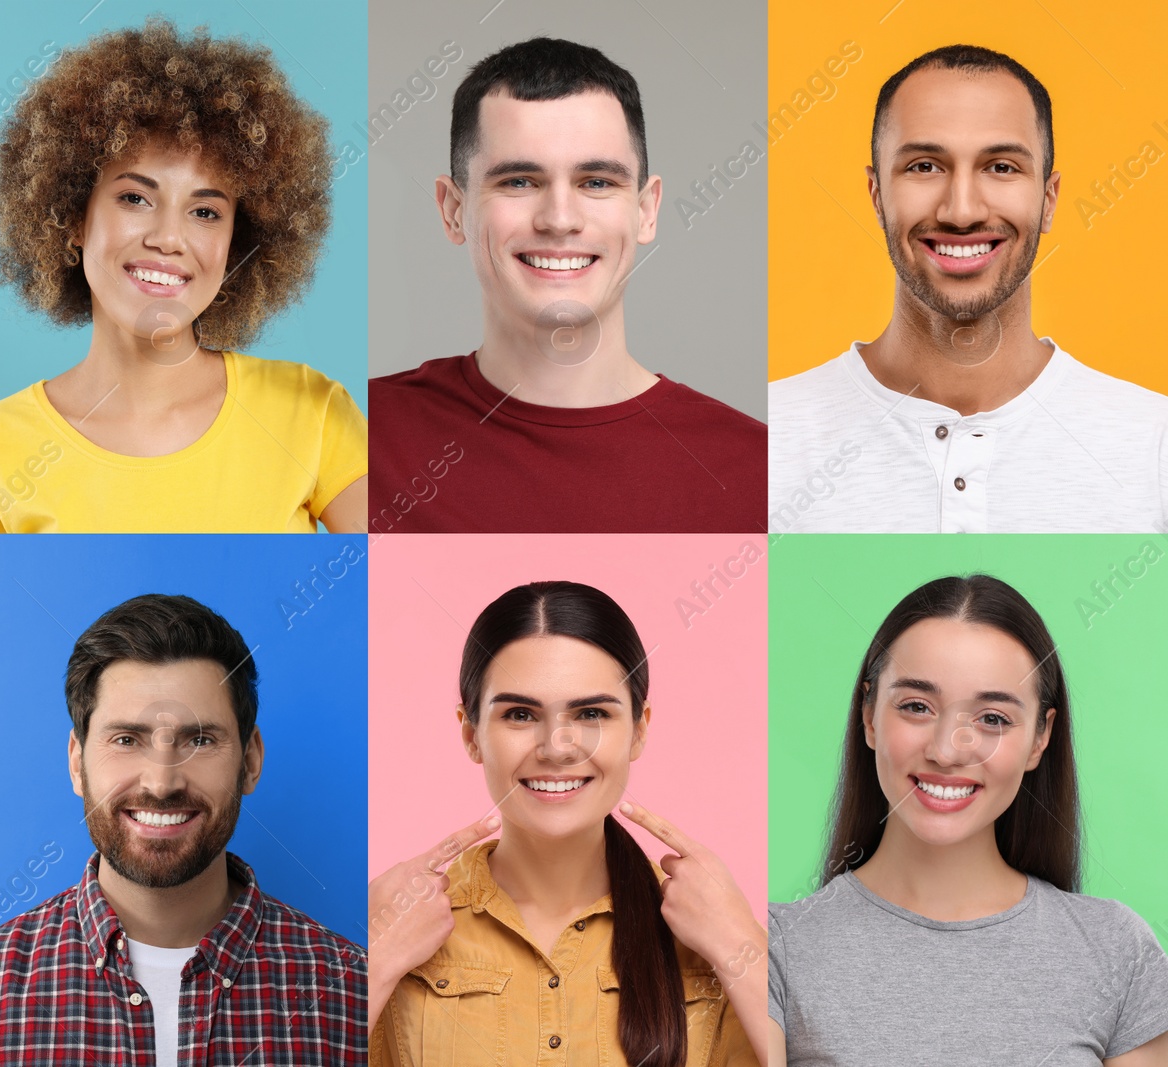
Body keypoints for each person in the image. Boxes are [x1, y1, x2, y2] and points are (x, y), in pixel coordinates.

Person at [0, 19, 367, 534]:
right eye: (135, 198)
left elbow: (389, 582)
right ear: (72, 218)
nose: (169, 238)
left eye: (205, 212)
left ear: (234, 242)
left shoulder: (312, 413)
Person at [367, 38, 765, 534]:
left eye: (596, 181)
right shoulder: (361, 436)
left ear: (646, 211)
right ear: (453, 211)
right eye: (518, 181)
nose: (559, 219)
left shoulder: (759, 470)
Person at [769, 575, 1168, 1064]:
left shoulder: (1116, 950)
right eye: (916, 707)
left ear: (1040, 738)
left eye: (993, 718)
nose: (945, 750)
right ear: (869, 716)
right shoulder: (773, 946)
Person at [368, 581, 770, 1066]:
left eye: (591, 713)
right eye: (520, 714)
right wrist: (377, 960)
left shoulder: (712, 932)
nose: (557, 747)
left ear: (639, 730)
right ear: (471, 734)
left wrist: (742, 948)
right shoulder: (397, 922)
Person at [769, 45, 1168, 533]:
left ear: (1048, 200)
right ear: (877, 197)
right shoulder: (771, 438)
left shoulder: (1155, 445)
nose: (961, 212)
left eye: (1001, 167)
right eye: (924, 166)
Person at [0, 593, 365, 1063]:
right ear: (77, 763)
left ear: (251, 760)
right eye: (125, 739)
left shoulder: (353, 991)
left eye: (199, 739)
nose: (161, 782)